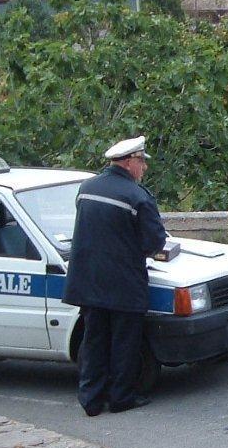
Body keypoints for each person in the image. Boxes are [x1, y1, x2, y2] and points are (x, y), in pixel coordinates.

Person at [63, 135, 167, 416]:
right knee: (124, 343)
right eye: (142, 162)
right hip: (123, 283)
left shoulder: (86, 188)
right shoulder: (137, 196)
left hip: (90, 280)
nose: (144, 168)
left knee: (94, 340)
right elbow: (155, 242)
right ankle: (121, 397)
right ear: (129, 161)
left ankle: (91, 399)